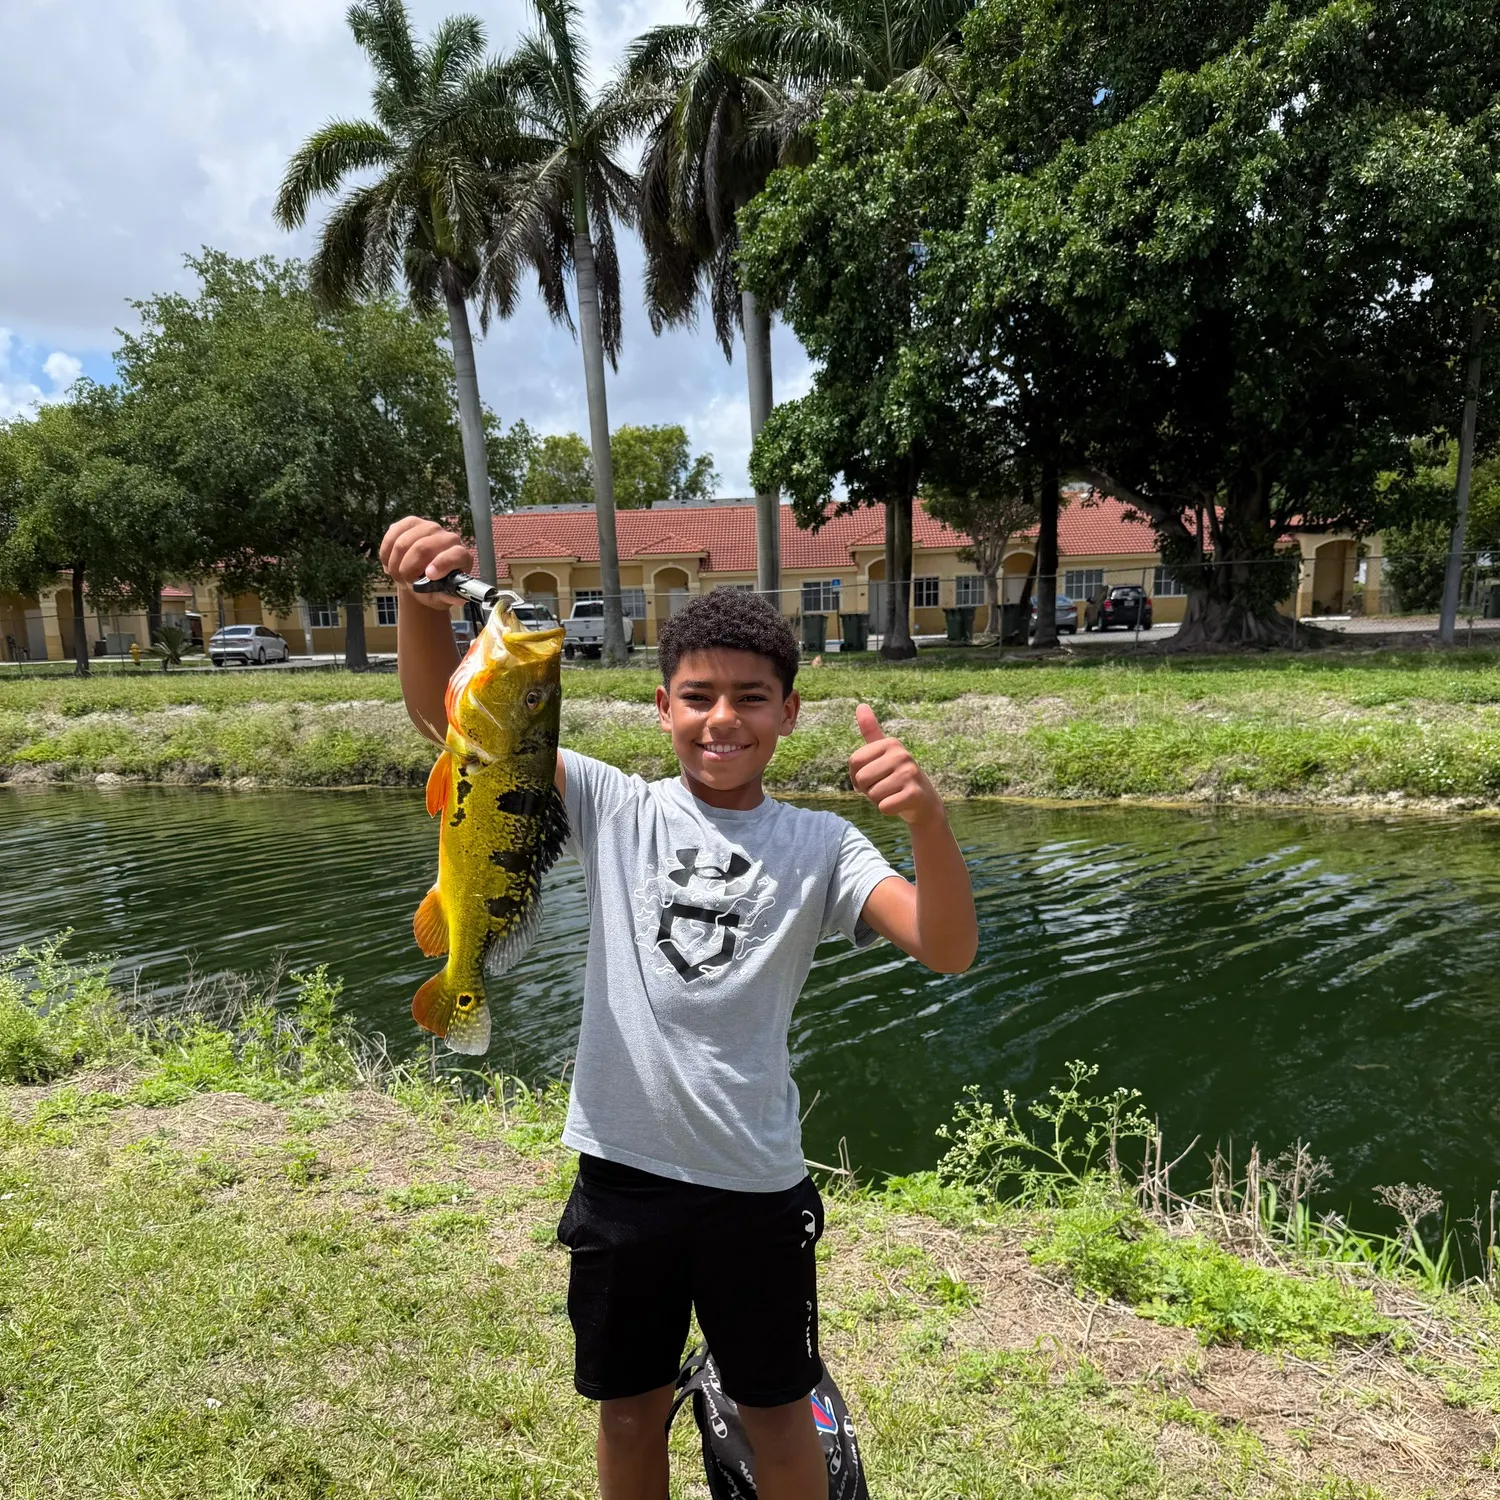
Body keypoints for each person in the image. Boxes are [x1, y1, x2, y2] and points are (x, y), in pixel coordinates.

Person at [380, 517, 978, 1500]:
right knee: (626, 1417)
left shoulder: (823, 846)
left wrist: (928, 822)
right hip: (623, 1178)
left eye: (750, 699)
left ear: (789, 713)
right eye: (697, 697)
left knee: (778, 1417)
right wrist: (417, 600)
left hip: (755, 1184)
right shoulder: (619, 807)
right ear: (662, 708)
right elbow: (447, 724)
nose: (722, 720)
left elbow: (947, 949)